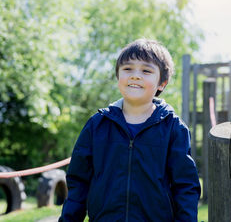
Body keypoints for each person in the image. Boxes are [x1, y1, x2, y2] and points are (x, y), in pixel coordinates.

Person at [59, 38, 201, 222]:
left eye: (146, 70)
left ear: (162, 84)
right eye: (128, 69)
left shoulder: (173, 128)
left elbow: (186, 186)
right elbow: (78, 182)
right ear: (118, 77)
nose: (135, 75)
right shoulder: (97, 125)